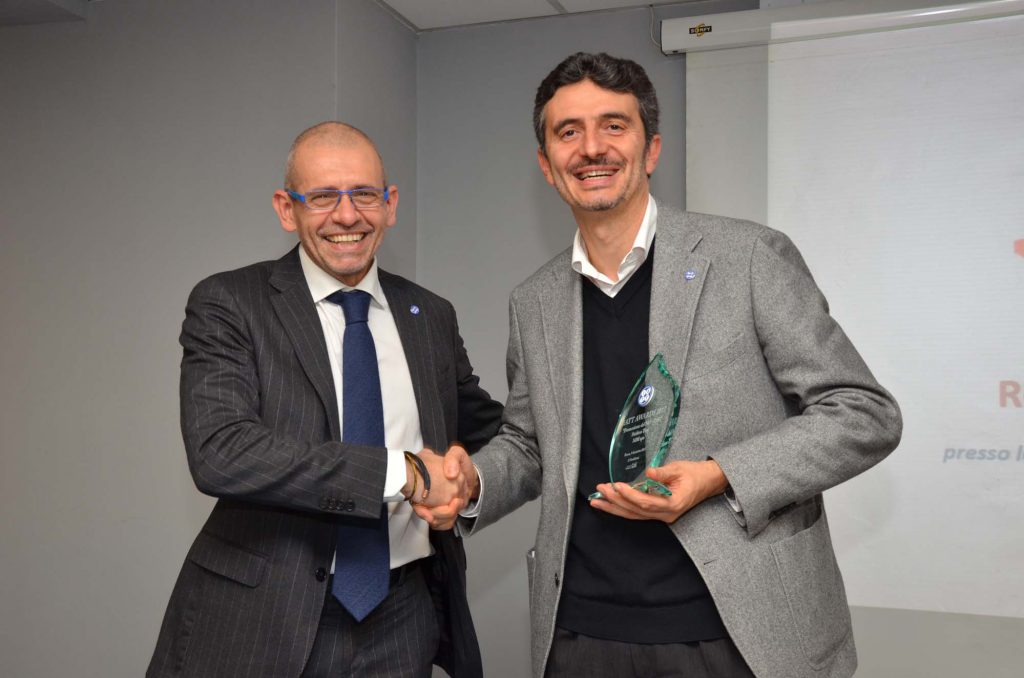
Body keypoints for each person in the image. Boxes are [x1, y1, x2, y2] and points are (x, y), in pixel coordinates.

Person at [432, 52, 903, 678]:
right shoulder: (533, 301)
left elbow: (864, 413)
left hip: (736, 637)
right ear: (546, 164)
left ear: (651, 148)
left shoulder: (748, 257)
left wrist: (717, 476)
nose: (591, 148)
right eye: (569, 132)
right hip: (581, 634)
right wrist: (472, 483)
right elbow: (531, 444)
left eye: (614, 125)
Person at [147, 122, 502, 678]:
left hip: (403, 617)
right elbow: (221, 451)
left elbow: (490, 432)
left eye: (364, 194)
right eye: (322, 197)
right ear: (286, 209)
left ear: (390, 204)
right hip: (263, 617)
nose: (347, 216)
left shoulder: (430, 314)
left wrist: (472, 480)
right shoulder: (230, 303)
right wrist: (403, 473)